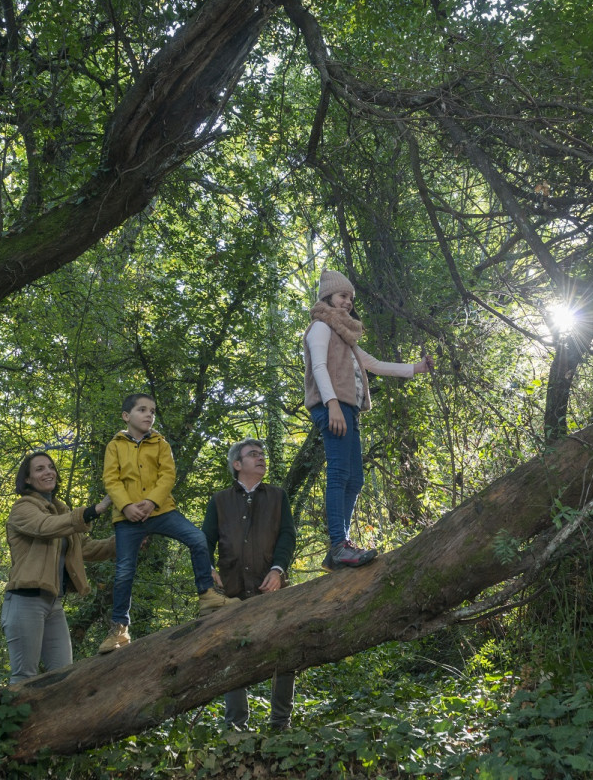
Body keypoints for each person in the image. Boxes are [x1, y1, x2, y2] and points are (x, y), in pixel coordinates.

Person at [303, 268, 434, 570]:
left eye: (350, 297)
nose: (347, 301)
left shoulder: (343, 335)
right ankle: (338, 545)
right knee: (338, 473)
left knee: (355, 478)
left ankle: (338, 549)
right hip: (332, 407)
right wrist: (332, 404)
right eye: (342, 296)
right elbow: (320, 368)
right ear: (328, 297)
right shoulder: (321, 327)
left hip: (346, 408)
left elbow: (373, 364)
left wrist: (416, 368)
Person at [99, 392, 237, 653]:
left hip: (161, 510)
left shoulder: (160, 443)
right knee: (124, 572)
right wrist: (128, 506)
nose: (149, 414)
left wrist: (151, 502)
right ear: (126, 416)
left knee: (197, 539)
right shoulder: (115, 445)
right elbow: (111, 480)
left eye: (152, 410)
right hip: (127, 517)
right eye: (142, 410)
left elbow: (167, 475)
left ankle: (207, 595)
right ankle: (119, 630)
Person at [202, 438, 297, 730]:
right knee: (233, 655)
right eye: (253, 454)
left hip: (272, 589)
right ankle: (236, 726)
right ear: (237, 464)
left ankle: (281, 723)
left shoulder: (278, 496)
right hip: (231, 592)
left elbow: (287, 536)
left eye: (262, 454)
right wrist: (205, 569)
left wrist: (279, 570)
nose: (261, 458)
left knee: (284, 652)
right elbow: (203, 541)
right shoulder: (219, 500)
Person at [2, 451, 115, 685]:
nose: (48, 472)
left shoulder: (62, 512)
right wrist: (94, 510)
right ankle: (18, 721)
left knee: (63, 677)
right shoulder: (22, 509)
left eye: (51, 467)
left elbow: (86, 548)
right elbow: (45, 527)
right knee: (24, 677)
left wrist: (124, 542)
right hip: (24, 600)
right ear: (27, 479)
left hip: (53, 603)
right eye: (40, 469)